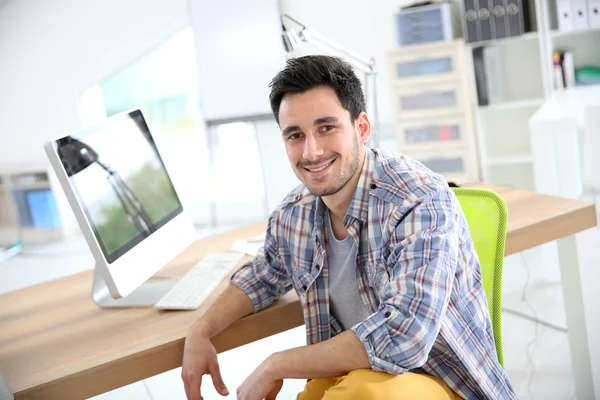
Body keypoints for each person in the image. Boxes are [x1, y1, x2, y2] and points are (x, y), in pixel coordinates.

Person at [181, 55, 517, 400]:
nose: (311, 152)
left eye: (326, 128)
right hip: (353, 378)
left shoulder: (418, 198)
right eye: (295, 135)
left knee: (360, 394)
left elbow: (405, 337)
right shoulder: (294, 214)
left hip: (444, 382)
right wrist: (201, 330)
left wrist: (275, 364)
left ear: (362, 128)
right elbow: (263, 275)